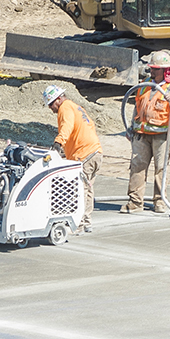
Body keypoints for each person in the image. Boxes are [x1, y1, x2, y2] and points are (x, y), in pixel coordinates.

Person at [125, 63, 170, 217]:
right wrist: (131, 127)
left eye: (156, 69)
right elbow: (138, 107)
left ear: (165, 70)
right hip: (141, 134)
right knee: (137, 167)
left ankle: (159, 201)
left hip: (163, 136)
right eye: (152, 68)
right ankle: (135, 202)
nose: (152, 71)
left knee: (161, 169)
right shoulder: (144, 85)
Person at [42, 83, 101, 233]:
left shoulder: (65, 107)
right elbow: (90, 126)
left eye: (51, 104)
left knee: (78, 189)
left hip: (85, 154)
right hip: (95, 152)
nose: (51, 108)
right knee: (87, 189)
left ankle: (78, 225)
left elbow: (66, 126)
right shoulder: (75, 107)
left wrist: (58, 143)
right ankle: (86, 222)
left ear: (58, 99)